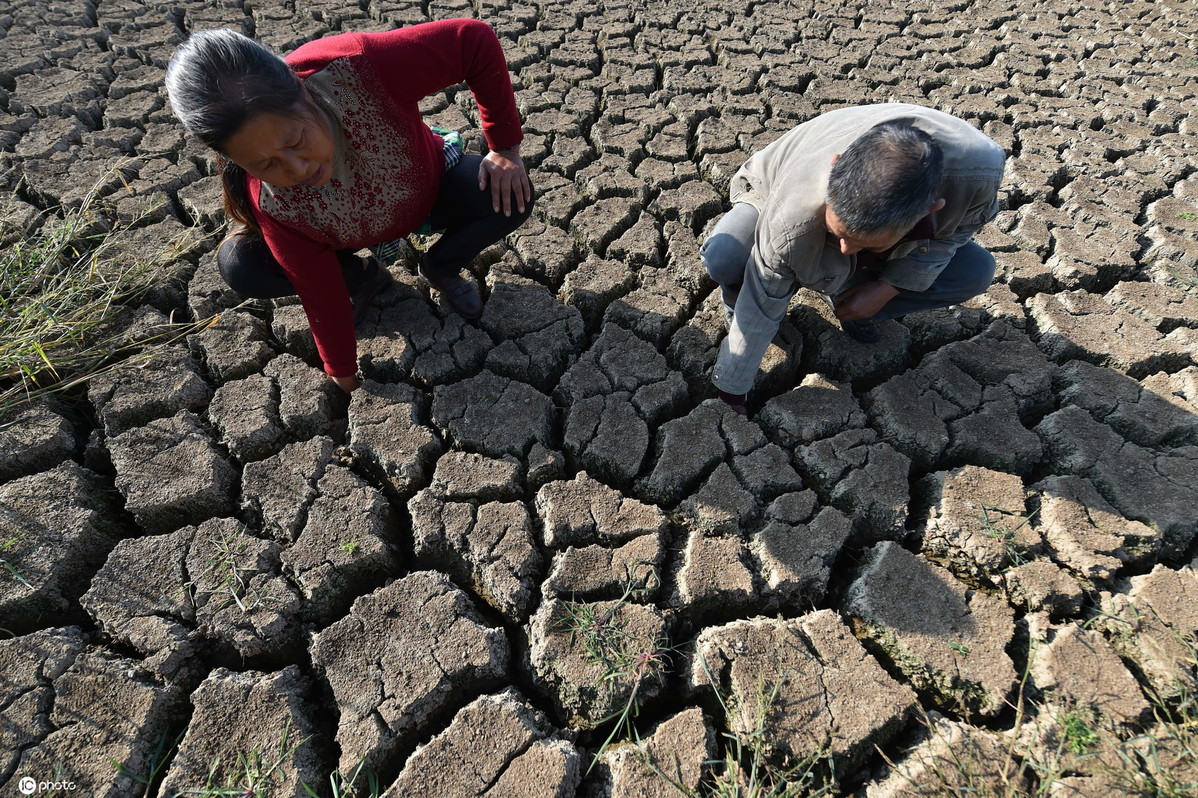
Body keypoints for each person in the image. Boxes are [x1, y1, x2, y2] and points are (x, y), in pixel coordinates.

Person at [165, 20, 533, 393]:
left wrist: (504, 147)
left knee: (509, 194)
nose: (297, 169)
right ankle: (363, 278)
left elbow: (473, 40)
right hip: (342, 234)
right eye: (265, 165)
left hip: (425, 189)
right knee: (241, 265)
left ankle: (440, 265)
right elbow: (317, 291)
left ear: (300, 89)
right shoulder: (271, 202)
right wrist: (342, 372)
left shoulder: (358, 68)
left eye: (295, 141)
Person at [701, 103, 1005, 414]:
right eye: (838, 234)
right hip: (774, 186)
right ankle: (741, 309)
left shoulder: (978, 174)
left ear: (929, 211)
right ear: (835, 168)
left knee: (975, 271)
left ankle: (855, 301)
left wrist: (890, 287)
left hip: (915, 212)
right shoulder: (792, 215)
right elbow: (763, 295)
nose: (845, 249)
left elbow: (952, 235)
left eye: (863, 243)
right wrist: (731, 394)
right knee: (727, 256)